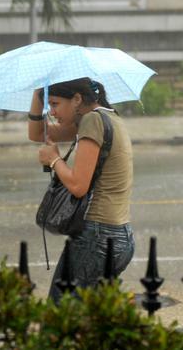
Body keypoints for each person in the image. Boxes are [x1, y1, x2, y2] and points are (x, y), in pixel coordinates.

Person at [28, 77, 135, 302]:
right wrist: (39, 93)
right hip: (118, 236)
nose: (52, 111)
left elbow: (78, 186)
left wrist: (55, 159)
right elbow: (38, 134)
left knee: (61, 317)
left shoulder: (92, 121)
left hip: (97, 238)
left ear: (77, 99)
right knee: (89, 320)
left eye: (55, 104)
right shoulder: (108, 117)